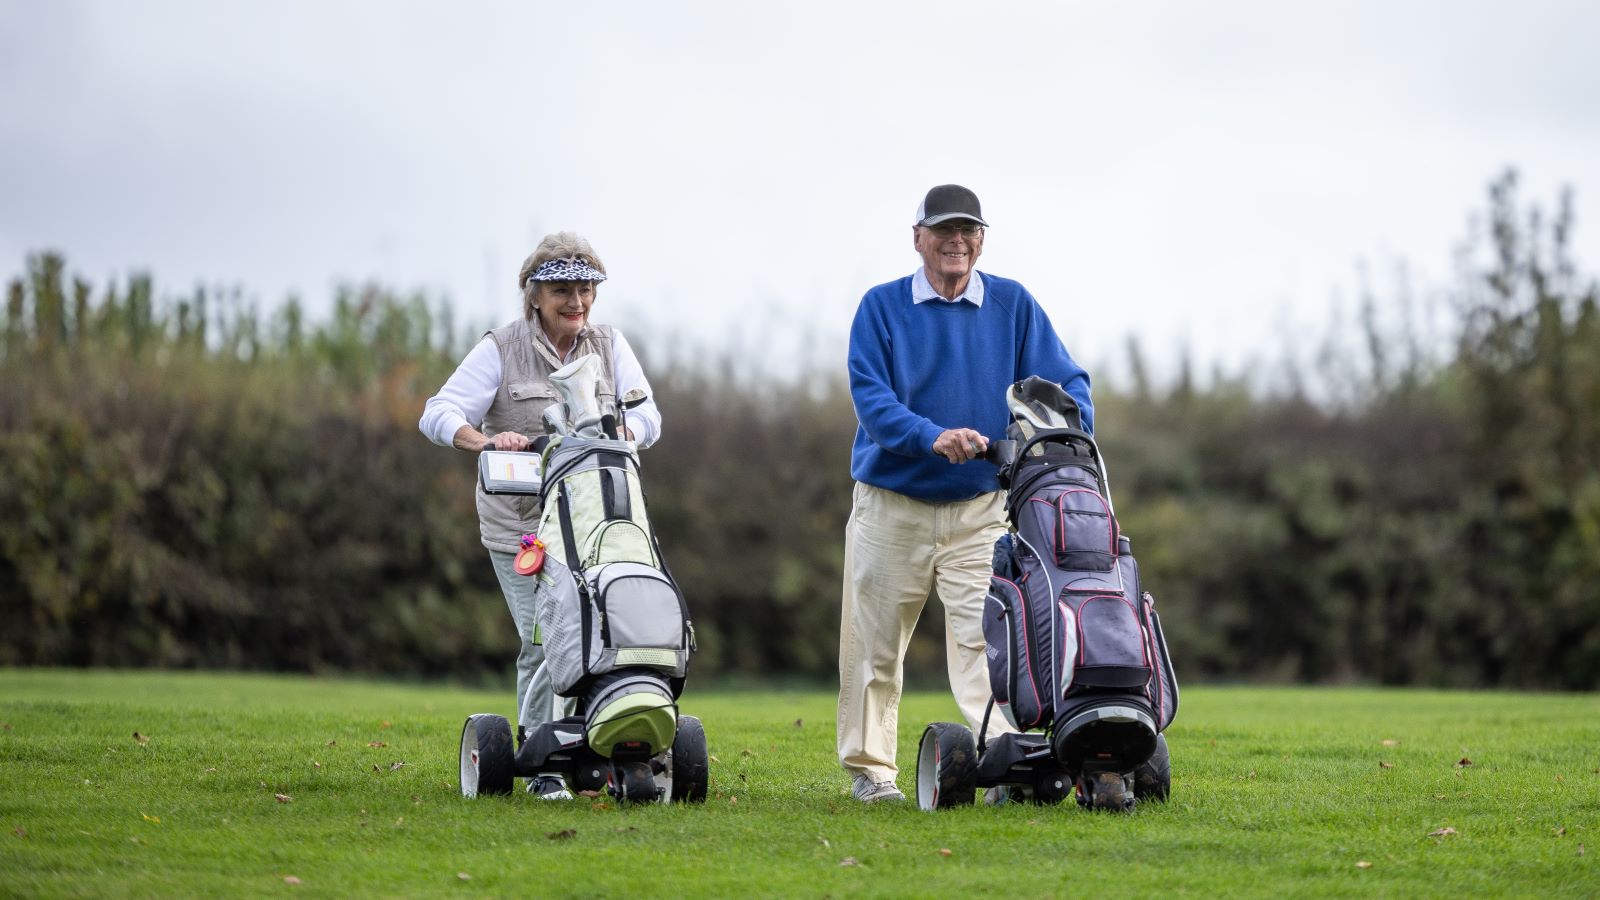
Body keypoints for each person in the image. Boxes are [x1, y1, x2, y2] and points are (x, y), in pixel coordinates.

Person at [838, 185, 1095, 803]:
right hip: (890, 507)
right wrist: (932, 438)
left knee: (988, 644)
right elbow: (873, 402)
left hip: (982, 511)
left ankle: (1004, 762)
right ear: (918, 237)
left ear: (981, 238)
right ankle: (871, 774)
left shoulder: (1013, 304)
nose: (957, 242)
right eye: (944, 231)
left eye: (968, 231)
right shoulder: (881, 307)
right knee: (873, 648)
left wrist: (1063, 430)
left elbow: (1067, 384)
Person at [419, 231, 661, 799]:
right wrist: (482, 441)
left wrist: (629, 429)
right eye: (561, 290)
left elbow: (650, 415)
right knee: (544, 641)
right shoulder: (500, 348)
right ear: (534, 294)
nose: (576, 302)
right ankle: (541, 757)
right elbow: (438, 412)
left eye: (585, 289)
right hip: (522, 530)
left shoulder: (609, 344)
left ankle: (603, 742)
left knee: (606, 635)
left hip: (597, 525)